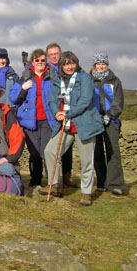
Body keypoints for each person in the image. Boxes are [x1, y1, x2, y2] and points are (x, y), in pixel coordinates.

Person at [41, 51, 104, 206]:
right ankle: (54, 184)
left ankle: (86, 193)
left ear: (76, 63)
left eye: (72, 63)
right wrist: (57, 112)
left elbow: (85, 100)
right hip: (65, 124)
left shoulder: (85, 78)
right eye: (66, 64)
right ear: (61, 66)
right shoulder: (58, 81)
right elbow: (52, 100)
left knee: (86, 160)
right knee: (50, 151)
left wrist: (68, 113)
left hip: (84, 123)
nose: (69, 67)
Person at [9, 49, 55, 187]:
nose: (40, 62)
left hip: (48, 120)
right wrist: (23, 88)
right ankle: (35, 180)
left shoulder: (52, 76)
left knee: (46, 152)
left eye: (42, 60)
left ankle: (51, 182)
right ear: (32, 62)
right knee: (34, 153)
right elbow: (13, 98)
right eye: (37, 60)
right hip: (29, 121)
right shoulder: (25, 76)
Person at [90, 53, 125, 195]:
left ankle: (115, 184)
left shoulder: (115, 80)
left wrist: (110, 115)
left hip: (112, 121)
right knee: (97, 152)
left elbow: (118, 101)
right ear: (94, 65)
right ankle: (102, 183)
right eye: (98, 63)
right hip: (95, 120)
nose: (101, 66)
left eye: (103, 63)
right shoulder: (89, 80)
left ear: (107, 65)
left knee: (113, 152)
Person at [46, 43, 77, 188]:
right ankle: (54, 181)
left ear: (61, 53)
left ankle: (66, 177)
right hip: (53, 114)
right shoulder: (46, 70)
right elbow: (50, 98)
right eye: (51, 54)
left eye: (56, 53)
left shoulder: (71, 71)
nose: (54, 56)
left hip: (70, 116)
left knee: (67, 151)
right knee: (53, 149)